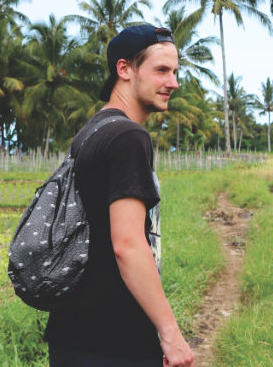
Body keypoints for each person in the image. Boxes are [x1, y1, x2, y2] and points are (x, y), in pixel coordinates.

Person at [44, 24, 196, 367]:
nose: (173, 82)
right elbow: (127, 244)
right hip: (114, 338)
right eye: (161, 70)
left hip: (71, 332)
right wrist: (170, 334)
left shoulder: (92, 130)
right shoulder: (129, 137)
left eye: (175, 72)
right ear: (124, 69)